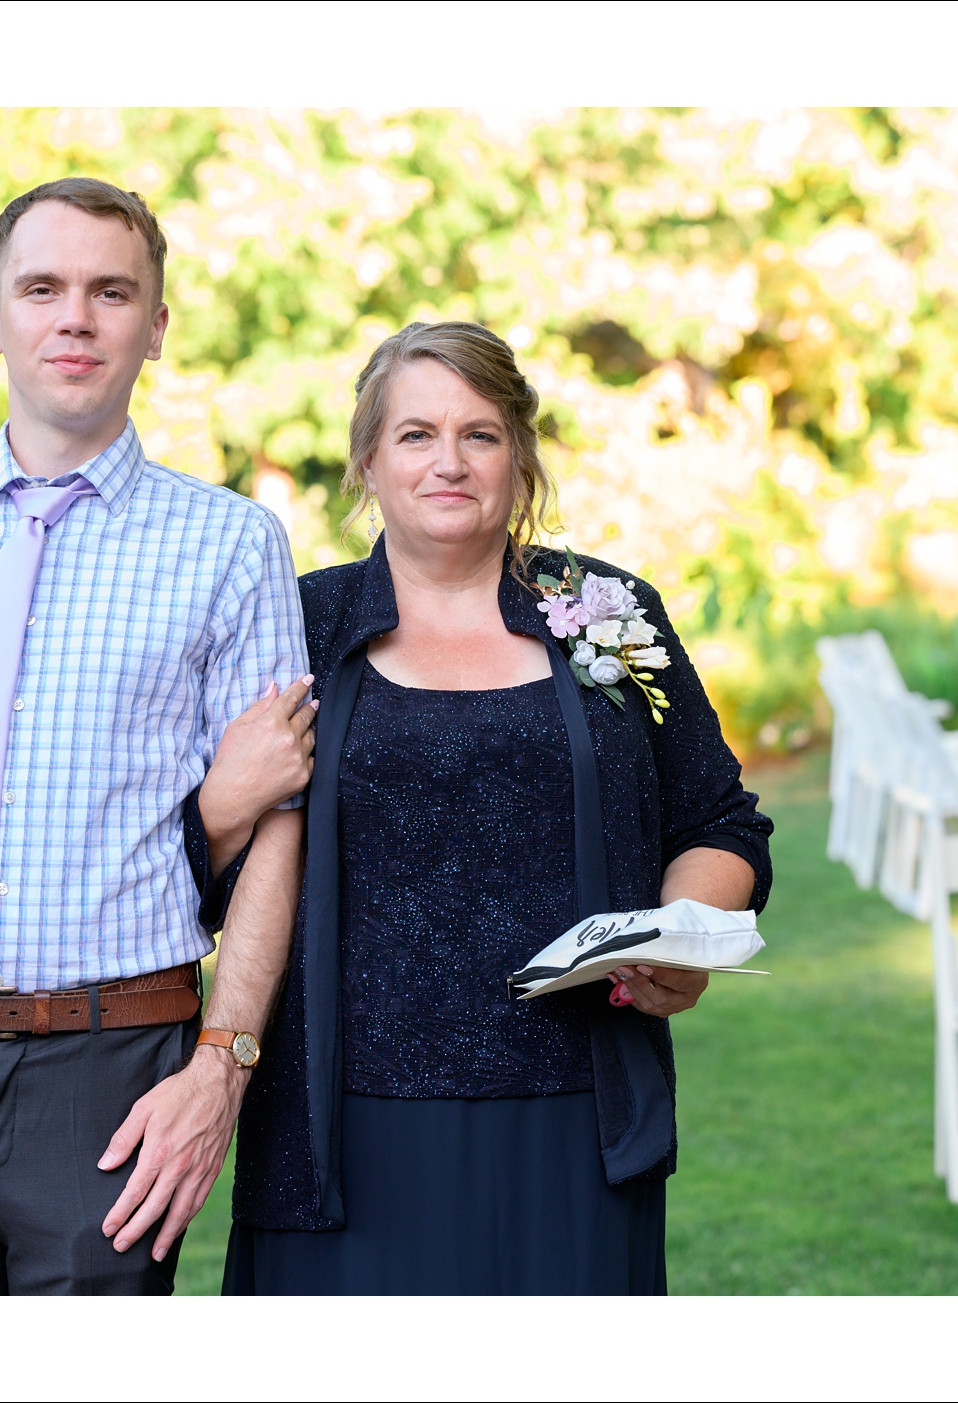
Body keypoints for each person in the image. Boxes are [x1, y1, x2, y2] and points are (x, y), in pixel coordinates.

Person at [0, 177, 315, 1295]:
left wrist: (220, 1068)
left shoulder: (230, 545)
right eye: (41, 287)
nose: (74, 316)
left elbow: (278, 824)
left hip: (112, 1072)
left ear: (155, 327)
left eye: (110, 290)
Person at [208, 321, 775, 1294]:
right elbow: (204, 857)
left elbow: (719, 823)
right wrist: (220, 797)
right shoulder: (298, 622)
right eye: (415, 434)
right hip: (339, 1127)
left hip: (574, 1118)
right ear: (368, 461)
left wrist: (682, 937)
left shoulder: (603, 609)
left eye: (479, 433)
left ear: (519, 455)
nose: (449, 461)